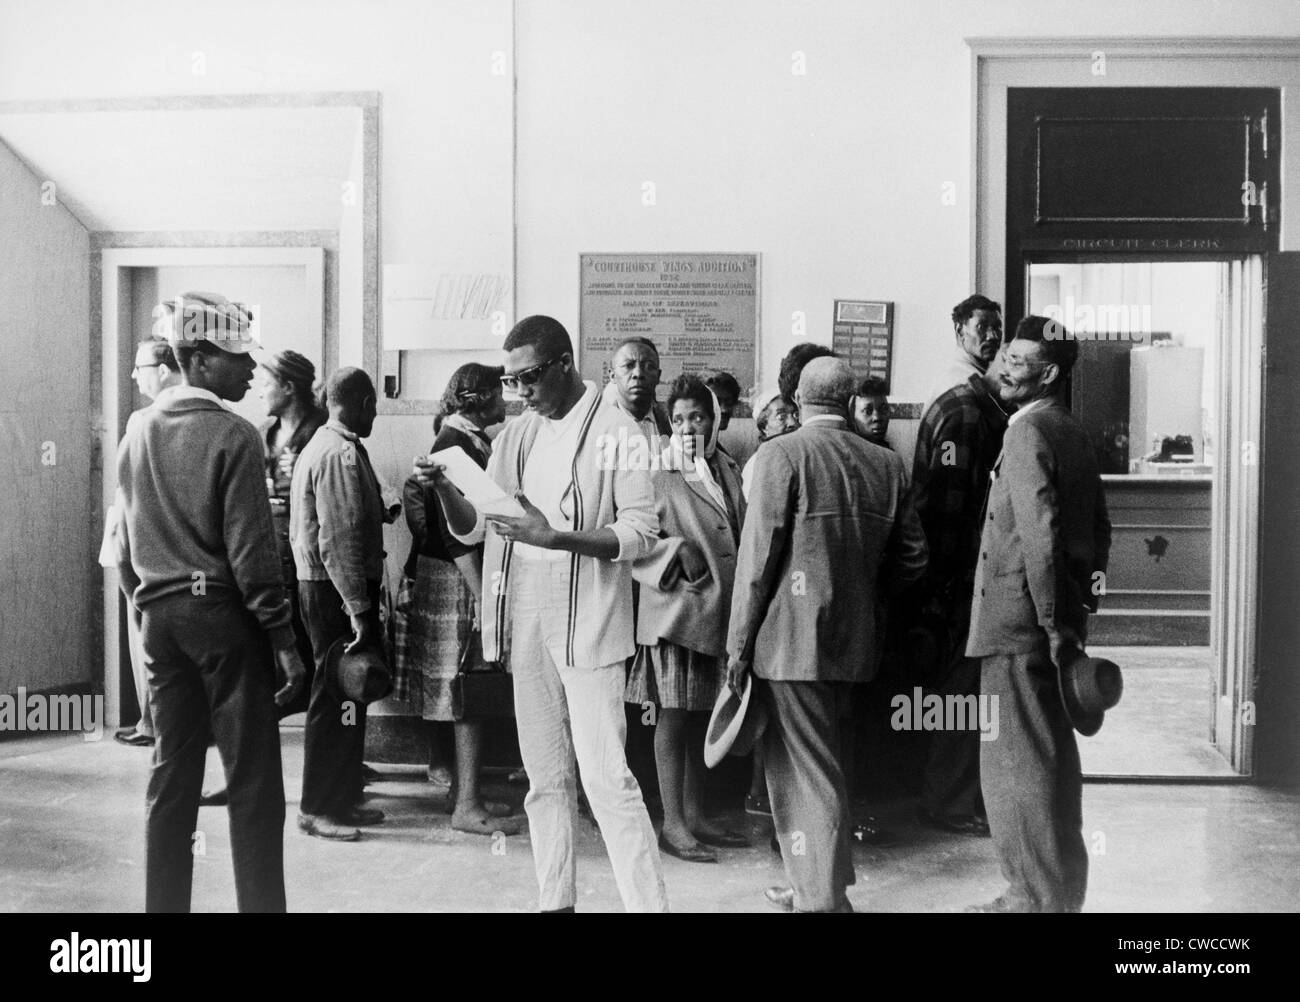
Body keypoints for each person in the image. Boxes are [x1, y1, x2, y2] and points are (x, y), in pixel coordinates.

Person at [418, 315, 668, 913]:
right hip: (526, 614)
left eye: (528, 377)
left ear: (563, 363)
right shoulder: (519, 436)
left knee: (608, 780)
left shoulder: (619, 433)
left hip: (590, 621)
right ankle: (555, 902)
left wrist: (555, 537)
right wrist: (446, 487)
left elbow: (641, 534)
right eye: (510, 382)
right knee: (545, 779)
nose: (519, 392)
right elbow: (477, 525)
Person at [114, 292, 306, 912]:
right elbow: (252, 558)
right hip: (222, 622)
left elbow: (121, 545)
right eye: (238, 356)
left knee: (171, 778)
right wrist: (283, 643)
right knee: (253, 783)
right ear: (197, 358)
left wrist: (150, 608)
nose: (251, 368)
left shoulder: (138, 430)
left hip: (160, 622)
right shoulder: (235, 434)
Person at [727, 357, 927, 913]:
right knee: (829, 764)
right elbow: (913, 559)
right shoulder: (887, 464)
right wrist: (864, 598)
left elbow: (757, 562)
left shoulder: (780, 454)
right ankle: (820, 881)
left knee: (803, 775)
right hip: (857, 643)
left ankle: (821, 899)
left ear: (796, 398)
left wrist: (738, 647)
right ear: (847, 400)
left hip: (791, 646)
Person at [965, 316, 1111, 913]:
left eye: (1019, 361)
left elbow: (1040, 536)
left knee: (1016, 768)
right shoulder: (1069, 431)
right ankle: (1057, 894)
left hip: (1018, 627)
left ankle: (1029, 899)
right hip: (1052, 625)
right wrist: (1076, 615)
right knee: (1051, 760)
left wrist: (1051, 625)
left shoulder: (1027, 434)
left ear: (1047, 374)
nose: (1003, 366)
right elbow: (1099, 530)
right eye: (1003, 356)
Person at [395, 363, 524, 836]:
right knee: (469, 684)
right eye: (502, 390)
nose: (507, 399)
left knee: (467, 684)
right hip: (459, 576)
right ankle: (467, 806)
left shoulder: (465, 440)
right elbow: (458, 537)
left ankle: (462, 793)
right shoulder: (454, 445)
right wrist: (484, 598)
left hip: (456, 573)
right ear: (481, 397)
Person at [628, 374, 750, 863]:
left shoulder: (724, 466)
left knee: (699, 715)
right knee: (672, 719)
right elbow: (630, 538)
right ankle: (673, 824)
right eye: (676, 419)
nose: (687, 427)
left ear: (714, 418)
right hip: (676, 615)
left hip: (716, 616)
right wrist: (676, 549)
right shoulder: (657, 470)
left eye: (697, 416)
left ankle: (695, 816)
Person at [912, 347, 1011, 838]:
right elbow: (950, 512)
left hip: (954, 581)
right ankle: (949, 800)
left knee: (959, 689)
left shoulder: (965, 404)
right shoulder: (969, 415)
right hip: (961, 583)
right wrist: (948, 589)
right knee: (960, 690)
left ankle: (952, 796)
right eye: (1009, 368)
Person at [291, 367, 388, 842]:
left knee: (352, 692)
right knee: (332, 699)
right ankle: (317, 807)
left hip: (332, 588)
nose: (375, 414)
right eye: (373, 405)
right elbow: (339, 541)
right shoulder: (338, 454)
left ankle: (344, 796)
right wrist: (359, 611)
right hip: (335, 590)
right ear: (362, 402)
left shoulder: (335, 447)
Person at [108, 338, 183, 749]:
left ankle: (155, 722)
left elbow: (131, 489)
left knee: (150, 635)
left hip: (142, 543)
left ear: (166, 369)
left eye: (141, 367)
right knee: (150, 636)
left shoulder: (146, 422)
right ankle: (151, 719)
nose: (135, 376)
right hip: (143, 540)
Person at [925, 294, 1003, 408]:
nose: (993, 336)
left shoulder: (965, 373)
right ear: (960, 330)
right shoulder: (963, 381)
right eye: (981, 327)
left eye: (997, 327)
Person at [602, 335, 670, 448]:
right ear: (612, 376)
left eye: (649, 366)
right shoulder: (597, 426)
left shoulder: (674, 420)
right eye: (628, 366)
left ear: (658, 376)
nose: (638, 374)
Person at [740, 390, 799, 502]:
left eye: (796, 415)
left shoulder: (801, 457)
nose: (792, 423)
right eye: (781, 417)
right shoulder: (758, 463)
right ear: (764, 427)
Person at [851, 376, 891, 448]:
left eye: (883, 410)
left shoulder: (890, 455)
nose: (877, 418)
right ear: (852, 414)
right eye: (867, 411)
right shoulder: (848, 452)